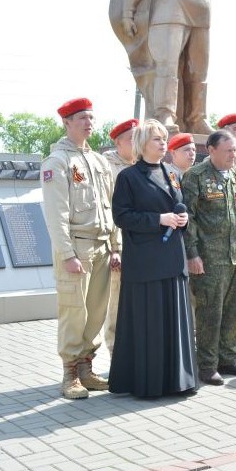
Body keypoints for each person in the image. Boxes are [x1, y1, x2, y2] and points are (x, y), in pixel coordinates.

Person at [109, 119, 197, 397]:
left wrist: (182, 218)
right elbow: (121, 216)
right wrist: (159, 219)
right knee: (152, 324)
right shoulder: (129, 176)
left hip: (172, 258)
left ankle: (177, 380)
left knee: (174, 322)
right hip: (146, 261)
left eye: (163, 138)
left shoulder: (171, 172)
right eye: (157, 139)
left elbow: (177, 205)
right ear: (142, 144)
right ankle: (150, 383)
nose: (163, 143)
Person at [41, 98, 120, 399]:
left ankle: (87, 368)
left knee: (97, 312)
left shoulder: (100, 162)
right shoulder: (58, 162)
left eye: (91, 117)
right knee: (74, 312)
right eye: (82, 118)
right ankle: (70, 373)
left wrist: (115, 246)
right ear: (67, 123)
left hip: (102, 247)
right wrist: (68, 255)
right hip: (77, 248)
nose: (89, 123)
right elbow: (56, 214)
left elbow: (111, 207)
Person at [182, 129, 236, 385]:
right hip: (209, 259)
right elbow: (188, 219)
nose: (233, 155)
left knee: (234, 312)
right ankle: (207, 365)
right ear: (211, 150)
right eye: (227, 151)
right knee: (210, 314)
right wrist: (192, 254)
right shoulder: (196, 176)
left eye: (235, 150)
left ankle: (228, 358)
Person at [120, 0, 215, 135]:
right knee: (167, 64)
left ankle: (197, 118)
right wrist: (127, 11)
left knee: (199, 68)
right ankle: (164, 113)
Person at [102, 118, 138, 358]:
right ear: (118, 143)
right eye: (131, 139)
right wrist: (115, 247)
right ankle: (116, 352)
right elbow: (110, 209)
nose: (137, 143)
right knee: (115, 300)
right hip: (119, 244)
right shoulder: (107, 167)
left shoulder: (143, 165)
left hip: (141, 244)